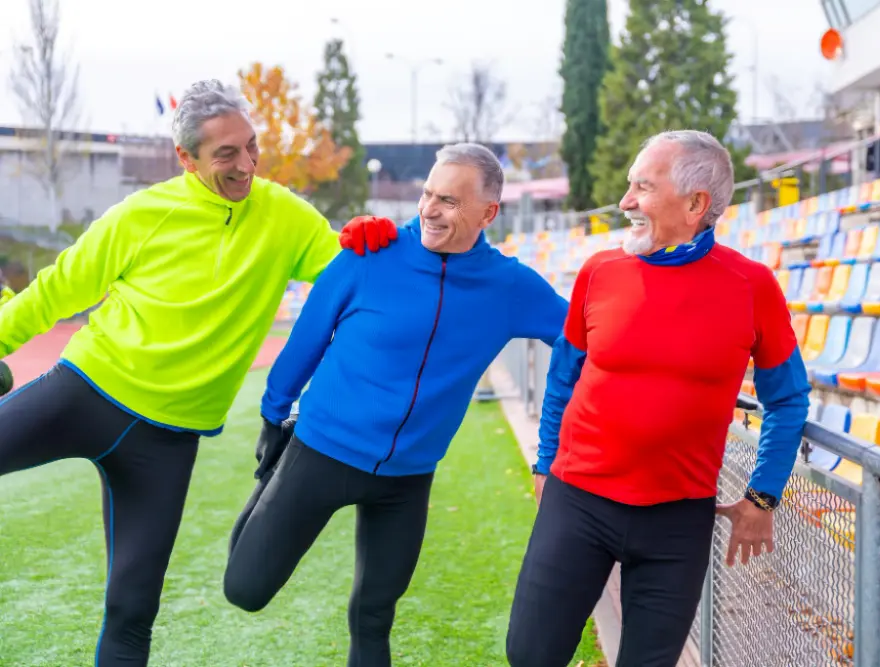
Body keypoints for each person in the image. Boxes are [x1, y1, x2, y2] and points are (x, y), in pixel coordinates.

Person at [0, 79, 393, 667]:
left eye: (251, 146)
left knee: (133, 610)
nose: (246, 165)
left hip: (167, 441)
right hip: (86, 392)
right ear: (185, 158)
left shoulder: (284, 215)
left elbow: (351, 275)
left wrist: (381, 243)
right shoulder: (141, 215)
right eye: (225, 154)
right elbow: (55, 292)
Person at [222, 142, 569, 667]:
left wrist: (552, 449)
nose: (430, 208)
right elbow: (306, 340)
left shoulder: (510, 286)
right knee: (244, 589)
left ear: (488, 213)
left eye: (449, 201)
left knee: (375, 614)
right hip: (321, 452)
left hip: (407, 479)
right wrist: (275, 414)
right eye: (428, 194)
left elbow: (580, 338)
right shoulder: (368, 255)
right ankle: (270, 487)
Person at [505, 130, 812, 667]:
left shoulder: (752, 286)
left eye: (642, 188)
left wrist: (763, 496)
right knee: (530, 653)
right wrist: (546, 460)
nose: (625, 202)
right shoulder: (600, 272)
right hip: (578, 500)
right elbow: (564, 375)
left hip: (678, 519)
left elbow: (787, 400)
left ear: (696, 204)